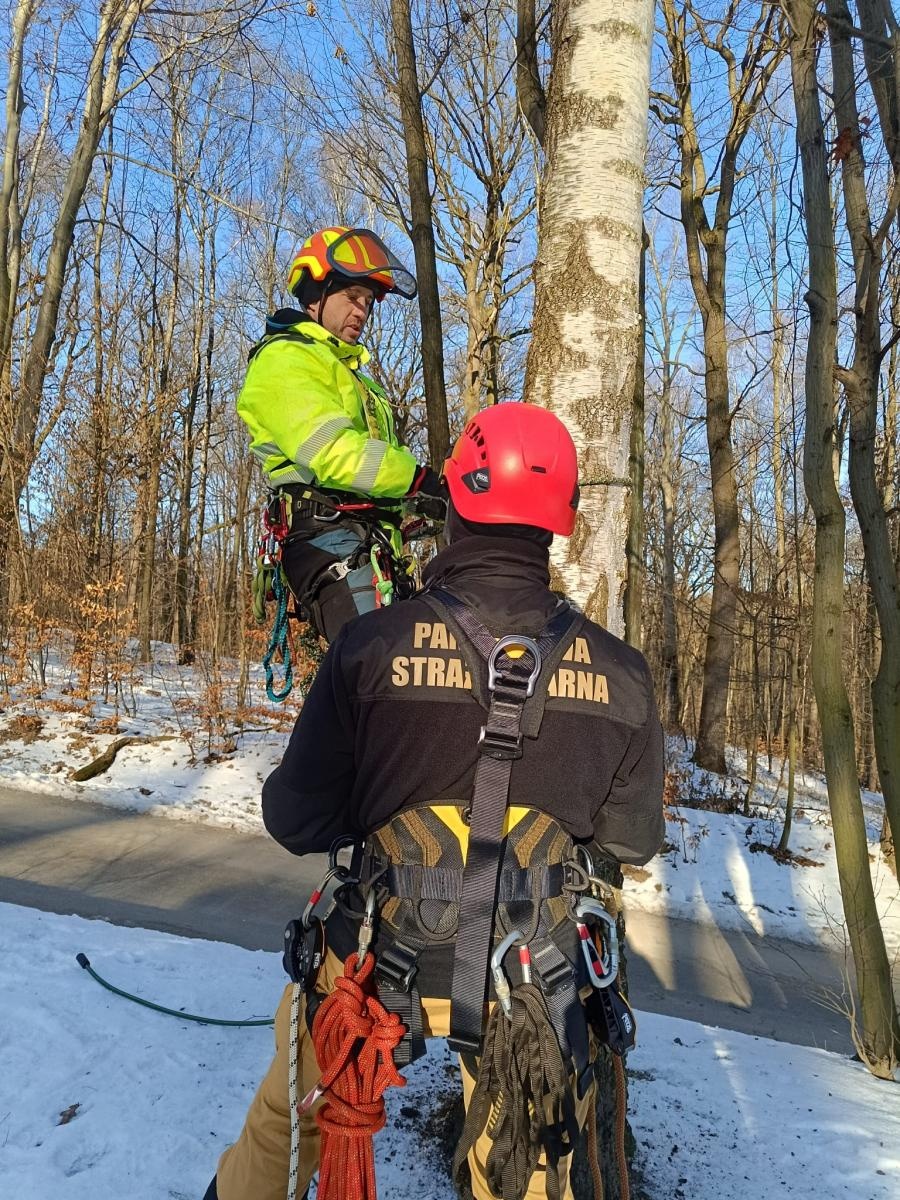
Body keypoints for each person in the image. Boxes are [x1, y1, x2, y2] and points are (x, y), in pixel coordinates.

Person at [203, 403, 664, 1200]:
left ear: (453, 505)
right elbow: (628, 841)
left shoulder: (371, 647)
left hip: (373, 964)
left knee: (290, 1122)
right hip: (532, 978)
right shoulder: (622, 678)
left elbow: (295, 817)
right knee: (529, 1157)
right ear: (559, 525)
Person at [238, 224, 446, 643]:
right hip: (326, 537)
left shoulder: (356, 379)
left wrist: (419, 505)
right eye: (352, 297)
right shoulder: (285, 359)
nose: (361, 311)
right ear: (315, 294)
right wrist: (416, 479)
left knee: (391, 673)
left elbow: (371, 473)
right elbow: (332, 452)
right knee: (376, 670)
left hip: (368, 540)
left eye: (368, 302)